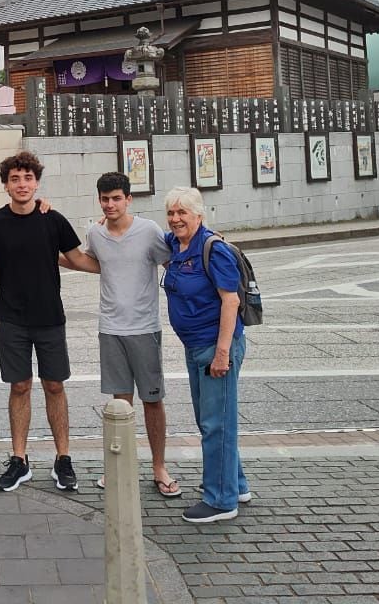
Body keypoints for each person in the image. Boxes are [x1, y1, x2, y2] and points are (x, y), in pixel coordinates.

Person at [0, 151, 85, 492]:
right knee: (19, 387)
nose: (22, 184)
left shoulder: (54, 220)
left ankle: (63, 458)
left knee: (55, 386)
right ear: (6, 185)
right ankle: (18, 459)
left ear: (36, 182)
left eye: (28, 178)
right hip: (11, 319)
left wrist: (124, 264)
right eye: (15, 179)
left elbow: (78, 258)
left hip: (50, 318)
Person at [61, 172, 178, 497]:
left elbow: (174, 262)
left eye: (116, 198)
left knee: (153, 400)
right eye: (105, 198)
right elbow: (93, 262)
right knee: (119, 403)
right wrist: (46, 254)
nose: (110, 204)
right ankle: (120, 466)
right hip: (110, 328)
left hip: (144, 328)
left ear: (129, 199)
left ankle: (159, 467)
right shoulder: (95, 232)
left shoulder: (149, 231)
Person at [161, 186, 251, 523]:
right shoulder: (176, 243)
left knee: (217, 424)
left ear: (199, 214)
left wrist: (222, 354)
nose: (175, 219)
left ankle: (221, 500)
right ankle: (236, 484)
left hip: (216, 348)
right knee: (213, 422)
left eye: (183, 212)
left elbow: (231, 301)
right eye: (171, 213)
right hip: (196, 347)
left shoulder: (213, 249)